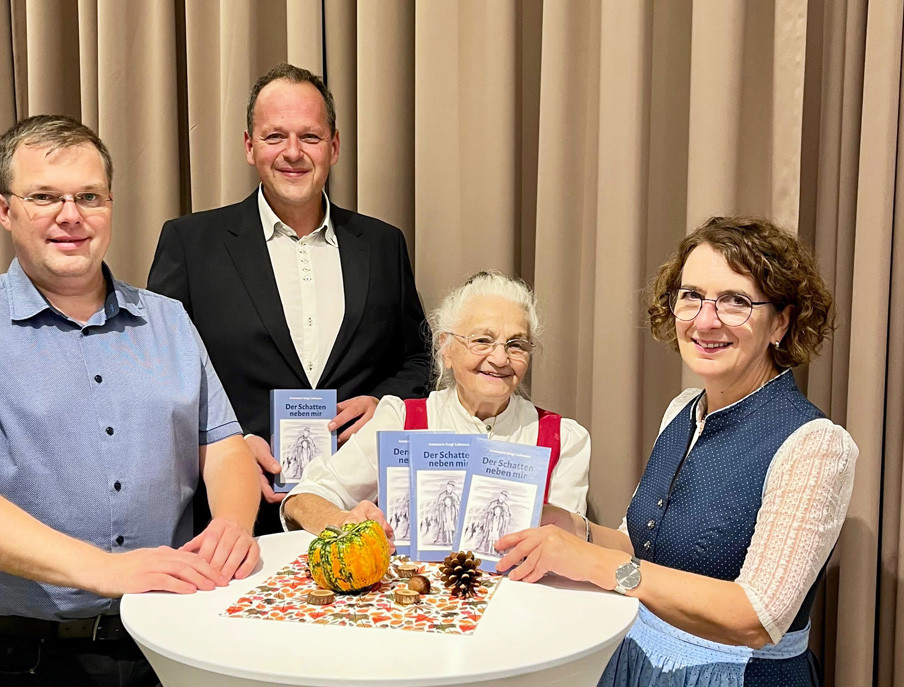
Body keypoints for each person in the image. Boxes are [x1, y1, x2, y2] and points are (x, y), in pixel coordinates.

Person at [0, 115, 261, 687]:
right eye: (44, 197)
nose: (70, 216)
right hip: (16, 657)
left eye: (89, 196)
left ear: (110, 206)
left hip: (163, 639)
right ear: (4, 210)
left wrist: (233, 526)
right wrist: (104, 570)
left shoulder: (169, 320)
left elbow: (223, 446)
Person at [495, 217, 858, 686]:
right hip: (635, 658)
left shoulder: (815, 444)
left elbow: (758, 616)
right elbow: (643, 548)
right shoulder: (682, 410)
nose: (705, 321)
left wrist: (598, 564)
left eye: (736, 301)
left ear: (782, 322)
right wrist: (571, 528)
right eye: (692, 296)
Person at [147, 63, 430, 535]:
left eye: (310, 137)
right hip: (237, 514)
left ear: (334, 147)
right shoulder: (191, 244)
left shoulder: (383, 245)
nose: (293, 153)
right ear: (249, 145)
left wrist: (385, 402)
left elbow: (419, 358)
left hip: (359, 513)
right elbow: (160, 374)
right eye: (275, 136)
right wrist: (227, 444)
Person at [282, 271, 591, 536]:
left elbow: (568, 549)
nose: (500, 358)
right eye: (482, 340)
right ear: (446, 349)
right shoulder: (399, 422)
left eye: (516, 345)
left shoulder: (564, 439)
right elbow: (302, 499)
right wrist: (345, 522)